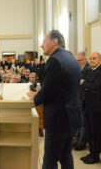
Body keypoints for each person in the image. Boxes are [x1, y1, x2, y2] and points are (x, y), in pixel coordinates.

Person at [28, 30, 81, 169]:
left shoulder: (54, 60)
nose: (41, 45)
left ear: (54, 41)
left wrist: (35, 97)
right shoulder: (71, 58)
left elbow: (47, 93)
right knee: (66, 157)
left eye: (44, 41)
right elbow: (61, 87)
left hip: (58, 120)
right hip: (70, 117)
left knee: (50, 160)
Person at [80, 52, 101, 164]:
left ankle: (95, 156)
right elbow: (86, 85)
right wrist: (88, 85)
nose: (92, 60)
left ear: (100, 60)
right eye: (90, 58)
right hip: (87, 105)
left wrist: (86, 84)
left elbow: (95, 86)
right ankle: (91, 153)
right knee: (89, 132)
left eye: (94, 58)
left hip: (96, 107)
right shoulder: (88, 71)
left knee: (95, 133)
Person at [73, 52, 91, 151]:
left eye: (79, 60)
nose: (77, 62)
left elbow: (85, 84)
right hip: (77, 98)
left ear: (85, 59)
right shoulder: (78, 68)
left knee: (83, 122)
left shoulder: (88, 69)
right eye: (76, 61)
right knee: (78, 121)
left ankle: (82, 142)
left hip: (84, 99)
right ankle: (78, 139)